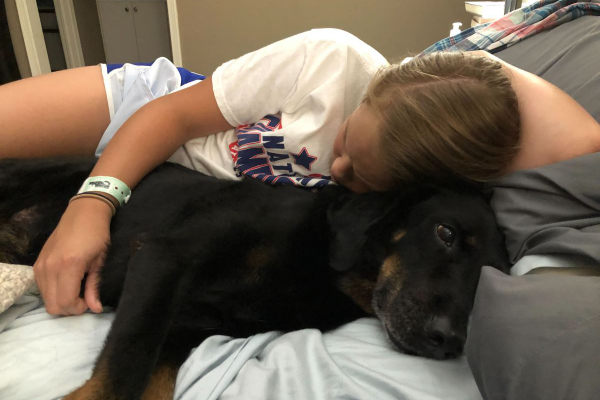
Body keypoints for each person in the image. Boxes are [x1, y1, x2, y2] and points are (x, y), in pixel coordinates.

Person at [1, 28, 598, 317]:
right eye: (346, 144)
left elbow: (577, 148)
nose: (337, 170)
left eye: (361, 177)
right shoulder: (331, 59)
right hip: (144, 113)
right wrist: (92, 204)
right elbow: (173, 116)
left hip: (168, 192)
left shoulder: (427, 189)